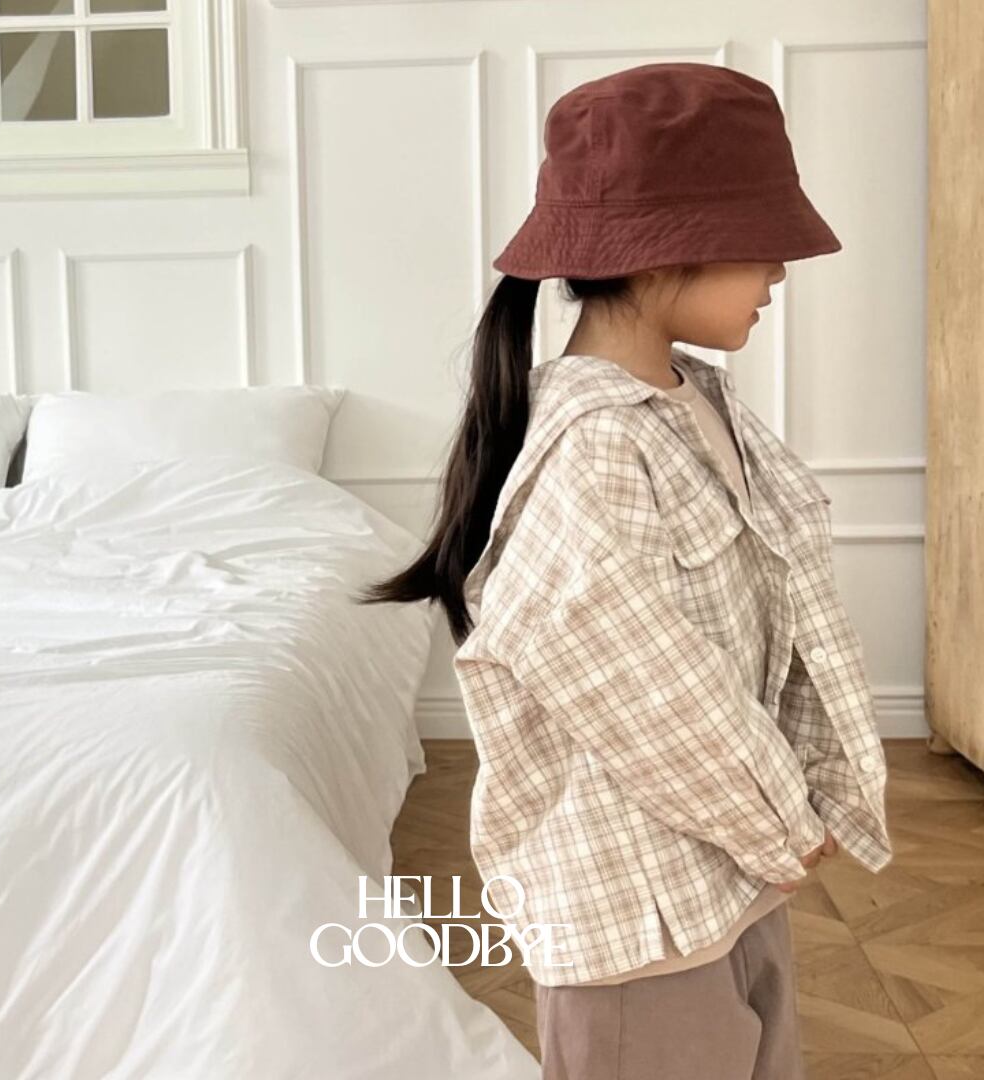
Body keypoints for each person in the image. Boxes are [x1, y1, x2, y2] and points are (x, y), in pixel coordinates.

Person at [357, 62, 893, 1079]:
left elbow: (769, 628)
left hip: (729, 878)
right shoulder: (596, 446)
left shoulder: (699, 402)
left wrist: (792, 808)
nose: (780, 273)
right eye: (761, 243)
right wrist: (780, 817)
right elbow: (643, 686)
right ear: (663, 253)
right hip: (638, 916)